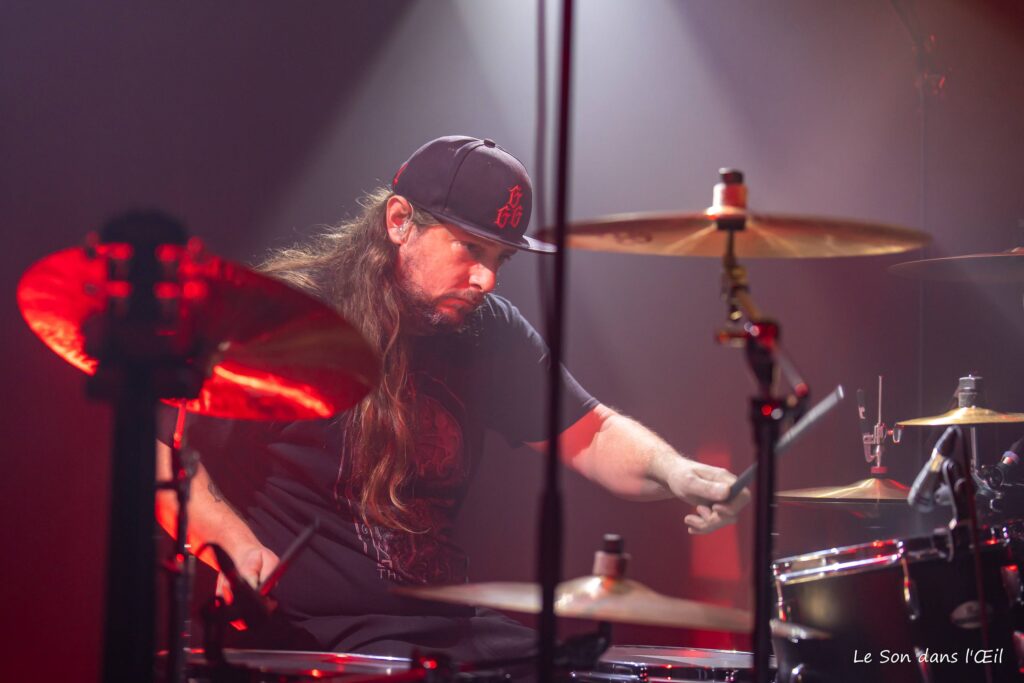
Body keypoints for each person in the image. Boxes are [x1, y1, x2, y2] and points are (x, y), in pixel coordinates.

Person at [155, 135, 750, 662]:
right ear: (398, 222)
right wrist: (235, 547)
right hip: (309, 635)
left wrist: (675, 471)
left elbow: (590, 434)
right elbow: (166, 459)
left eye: (501, 259)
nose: (487, 278)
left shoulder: (488, 329)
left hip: (441, 627)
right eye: (470, 248)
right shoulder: (287, 317)